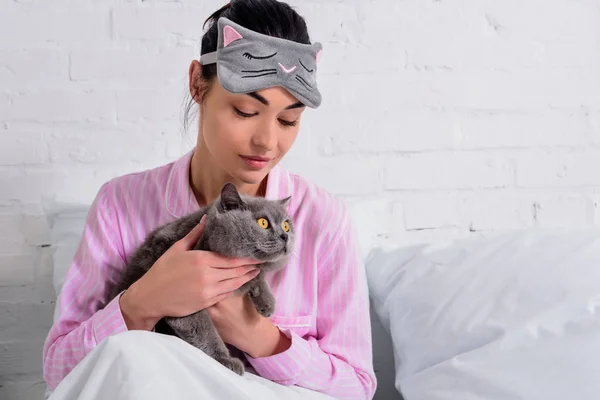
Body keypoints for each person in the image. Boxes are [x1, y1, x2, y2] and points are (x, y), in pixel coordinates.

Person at [42, 1, 377, 399]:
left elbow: (357, 387)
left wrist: (256, 335)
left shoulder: (323, 219)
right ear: (197, 84)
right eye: (246, 110)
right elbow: (60, 373)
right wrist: (142, 303)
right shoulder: (121, 204)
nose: (267, 142)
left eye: (289, 120)